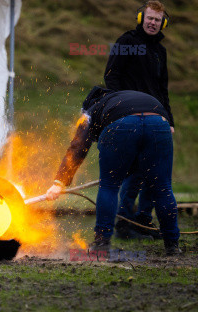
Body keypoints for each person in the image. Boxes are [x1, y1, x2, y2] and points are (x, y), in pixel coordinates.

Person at [45, 87, 180, 256]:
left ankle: (102, 242)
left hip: (121, 125)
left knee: (109, 186)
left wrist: (59, 182)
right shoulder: (125, 98)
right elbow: (141, 136)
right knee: (162, 188)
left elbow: (78, 147)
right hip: (159, 122)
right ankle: (172, 244)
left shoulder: (91, 111)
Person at [104, 0, 172, 240]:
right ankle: (124, 222)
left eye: (157, 20)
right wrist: (119, 108)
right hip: (130, 117)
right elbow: (111, 77)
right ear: (141, 18)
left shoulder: (159, 52)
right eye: (149, 18)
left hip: (156, 118)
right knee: (135, 172)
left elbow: (162, 89)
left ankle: (143, 220)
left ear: (162, 23)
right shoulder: (127, 42)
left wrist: (169, 120)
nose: (152, 23)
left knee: (154, 171)